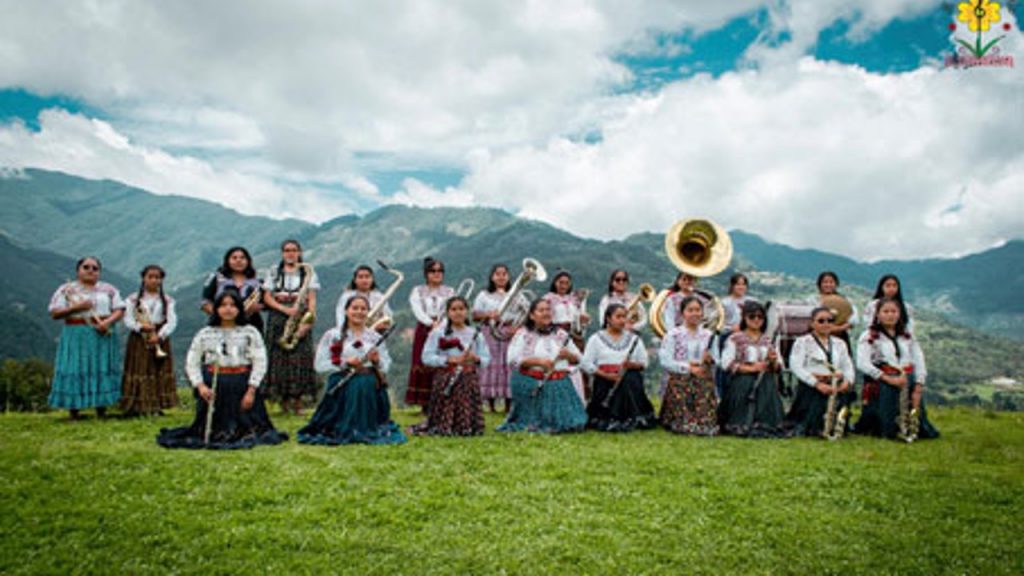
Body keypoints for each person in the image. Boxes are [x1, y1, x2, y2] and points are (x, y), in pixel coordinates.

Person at [157, 289, 287, 449]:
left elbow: (260, 361)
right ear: (216, 309)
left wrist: (251, 390)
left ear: (239, 308)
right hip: (214, 384)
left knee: (250, 426)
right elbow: (192, 361)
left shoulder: (250, 332)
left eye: (233, 305)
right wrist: (200, 386)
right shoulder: (205, 334)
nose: (228, 309)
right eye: (223, 305)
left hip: (242, 383)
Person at [297, 295, 406, 445]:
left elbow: (386, 364)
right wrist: (345, 362)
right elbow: (320, 364)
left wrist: (377, 361)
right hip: (342, 384)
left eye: (363, 309)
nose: (359, 312)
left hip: (369, 383)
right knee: (354, 387)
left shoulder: (374, 337)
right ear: (346, 311)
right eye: (355, 308)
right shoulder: (332, 335)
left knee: (363, 384)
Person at [47, 257, 125, 420]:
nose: (90, 270)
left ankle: (101, 409)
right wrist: (78, 307)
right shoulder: (66, 290)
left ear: (99, 272)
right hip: (76, 333)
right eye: (86, 267)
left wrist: (107, 323)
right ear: (78, 270)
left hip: (102, 332)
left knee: (101, 366)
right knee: (75, 367)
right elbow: (54, 313)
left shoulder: (109, 289)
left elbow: (119, 309)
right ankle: (74, 411)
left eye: (95, 268)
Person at [854, 298, 939, 440]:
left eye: (893, 311)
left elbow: (918, 359)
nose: (890, 315)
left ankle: (911, 426)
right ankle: (889, 428)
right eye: (885, 311)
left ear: (899, 314)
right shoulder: (869, 336)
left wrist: (918, 385)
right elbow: (862, 363)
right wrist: (886, 378)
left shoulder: (907, 336)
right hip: (882, 380)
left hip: (907, 378)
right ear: (878, 315)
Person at [498, 299, 587, 434]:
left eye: (548, 310)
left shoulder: (561, 334)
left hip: (559, 383)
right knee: (535, 422)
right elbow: (512, 359)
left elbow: (580, 359)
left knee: (573, 424)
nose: (546, 313)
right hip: (532, 382)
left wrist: (568, 355)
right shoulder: (523, 334)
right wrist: (538, 362)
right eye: (541, 310)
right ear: (532, 316)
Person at [411, 296, 490, 436]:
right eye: (453, 309)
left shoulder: (476, 334)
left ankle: (466, 426)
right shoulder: (438, 333)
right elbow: (426, 357)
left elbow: (486, 358)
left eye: (461, 309)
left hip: (468, 379)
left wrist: (475, 358)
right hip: (446, 378)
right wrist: (449, 360)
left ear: (467, 311)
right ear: (448, 312)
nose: (458, 312)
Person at [262, 240, 320, 414]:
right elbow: (267, 297)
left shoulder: (308, 272)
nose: (290, 254)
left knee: (300, 358)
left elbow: (312, 299)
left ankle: (298, 402)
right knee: (278, 359)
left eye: (294, 250)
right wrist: (284, 309)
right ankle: (282, 402)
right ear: (282, 253)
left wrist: (308, 321)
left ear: (300, 252)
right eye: (287, 250)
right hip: (279, 315)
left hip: (300, 315)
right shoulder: (273, 272)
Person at [580, 304, 656, 432]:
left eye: (624, 317)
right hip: (604, 378)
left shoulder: (634, 338)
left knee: (628, 379)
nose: (622, 320)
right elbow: (586, 364)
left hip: (628, 377)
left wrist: (631, 365)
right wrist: (606, 375)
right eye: (618, 317)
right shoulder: (596, 339)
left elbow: (644, 362)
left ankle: (628, 415)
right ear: (608, 319)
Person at [784, 306, 856, 438]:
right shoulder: (802, 342)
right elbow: (796, 366)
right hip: (812, 387)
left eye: (830, 320)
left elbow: (847, 365)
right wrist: (816, 384)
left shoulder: (840, 343)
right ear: (812, 323)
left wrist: (847, 381)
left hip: (836, 386)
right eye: (821, 321)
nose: (826, 324)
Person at [719, 301, 785, 437]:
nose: (756, 320)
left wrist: (773, 361)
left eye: (760, 317)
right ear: (744, 318)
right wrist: (751, 368)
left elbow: (778, 365)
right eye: (752, 316)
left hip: (766, 384)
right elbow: (726, 363)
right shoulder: (734, 339)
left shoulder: (768, 340)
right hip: (742, 384)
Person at [120, 264, 178, 416]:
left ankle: (156, 405)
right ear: (143, 279)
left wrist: (160, 335)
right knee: (140, 369)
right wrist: (140, 328)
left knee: (158, 370)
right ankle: (137, 404)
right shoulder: (132, 299)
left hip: (159, 337)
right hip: (139, 338)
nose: (154, 280)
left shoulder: (168, 300)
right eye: (150, 277)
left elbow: (172, 321)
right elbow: (128, 319)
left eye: (157, 277)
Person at [658, 296, 718, 435]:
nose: (695, 313)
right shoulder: (673, 335)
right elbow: (665, 361)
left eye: (698, 310)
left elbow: (718, 360)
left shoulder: (709, 335)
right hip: (681, 379)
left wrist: (710, 359)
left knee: (707, 422)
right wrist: (688, 368)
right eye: (690, 310)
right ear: (682, 313)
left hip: (702, 378)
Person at [472, 264, 523, 413]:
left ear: (508, 277)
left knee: (509, 365)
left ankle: (508, 404)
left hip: (510, 331)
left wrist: (518, 327)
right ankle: (490, 403)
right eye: (497, 274)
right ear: (492, 277)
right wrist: (488, 315)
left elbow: (527, 312)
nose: (501, 277)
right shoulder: (483, 295)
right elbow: (475, 315)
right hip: (489, 331)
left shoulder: (517, 295)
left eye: (504, 274)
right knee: (489, 365)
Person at [406, 257, 454, 410]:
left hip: (444, 328)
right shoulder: (417, 291)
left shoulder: (450, 291)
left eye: (440, 271)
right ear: (426, 273)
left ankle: (441, 400)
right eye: (433, 271)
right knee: (423, 361)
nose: (437, 274)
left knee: (441, 361)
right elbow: (417, 310)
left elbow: (452, 310)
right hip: (424, 328)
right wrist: (430, 323)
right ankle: (424, 403)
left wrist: (442, 324)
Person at [543, 270, 590, 402]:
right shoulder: (548, 298)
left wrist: (583, 319)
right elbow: (546, 317)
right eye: (560, 282)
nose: (563, 286)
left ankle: (581, 396)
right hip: (557, 333)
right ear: (555, 283)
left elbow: (577, 318)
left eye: (567, 283)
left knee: (578, 363)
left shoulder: (573, 299)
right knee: (562, 364)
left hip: (575, 334)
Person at [201, 246, 264, 333]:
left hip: (252, 324)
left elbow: (266, 301)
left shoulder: (258, 280)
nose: (238, 260)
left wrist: (258, 307)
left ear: (248, 261)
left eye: (242, 258)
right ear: (227, 261)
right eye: (234, 258)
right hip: (220, 325)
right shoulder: (217, 279)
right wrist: (221, 316)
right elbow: (205, 302)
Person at [337, 265, 393, 334]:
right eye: (360, 277)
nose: (364, 280)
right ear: (355, 280)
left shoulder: (379, 297)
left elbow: (388, 316)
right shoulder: (347, 297)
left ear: (372, 279)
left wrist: (382, 325)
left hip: (375, 336)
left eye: (367, 277)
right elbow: (340, 318)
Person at [811, 271, 858, 352]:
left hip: (841, 335)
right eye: (825, 282)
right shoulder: (813, 300)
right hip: (819, 335)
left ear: (836, 284)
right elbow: (810, 318)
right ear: (819, 284)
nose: (828, 284)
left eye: (831, 282)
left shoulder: (845, 300)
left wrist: (840, 328)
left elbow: (854, 318)